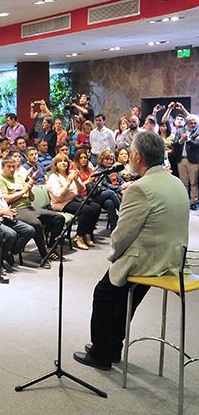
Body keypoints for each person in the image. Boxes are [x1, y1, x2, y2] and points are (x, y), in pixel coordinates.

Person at [73, 131, 189, 371]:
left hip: (146, 260)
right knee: (126, 299)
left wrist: (113, 256)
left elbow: (122, 235)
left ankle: (101, 353)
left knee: (104, 293)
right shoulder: (175, 181)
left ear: (138, 156)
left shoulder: (140, 188)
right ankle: (113, 347)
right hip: (171, 259)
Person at [0, 159, 34, 272]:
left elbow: (2, 200)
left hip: (3, 215)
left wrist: (8, 210)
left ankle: (6, 254)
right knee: (11, 234)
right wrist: (1, 212)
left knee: (29, 230)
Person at [46, 154, 101, 250]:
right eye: (60, 161)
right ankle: (78, 237)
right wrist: (68, 181)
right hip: (60, 203)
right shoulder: (53, 177)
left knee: (96, 207)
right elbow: (58, 195)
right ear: (55, 164)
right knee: (86, 210)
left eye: (65, 161)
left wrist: (76, 180)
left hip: (73, 200)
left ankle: (87, 233)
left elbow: (82, 189)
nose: (63, 163)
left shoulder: (71, 173)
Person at [172, 114, 199, 205]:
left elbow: (197, 145)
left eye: (195, 123)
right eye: (191, 123)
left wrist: (188, 140)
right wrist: (181, 140)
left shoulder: (198, 131)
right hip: (181, 159)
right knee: (184, 182)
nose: (193, 125)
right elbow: (175, 145)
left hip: (193, 161)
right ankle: (184, 202)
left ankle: (194, 202)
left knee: (194, 182)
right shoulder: (180, 131)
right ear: (187, 123)